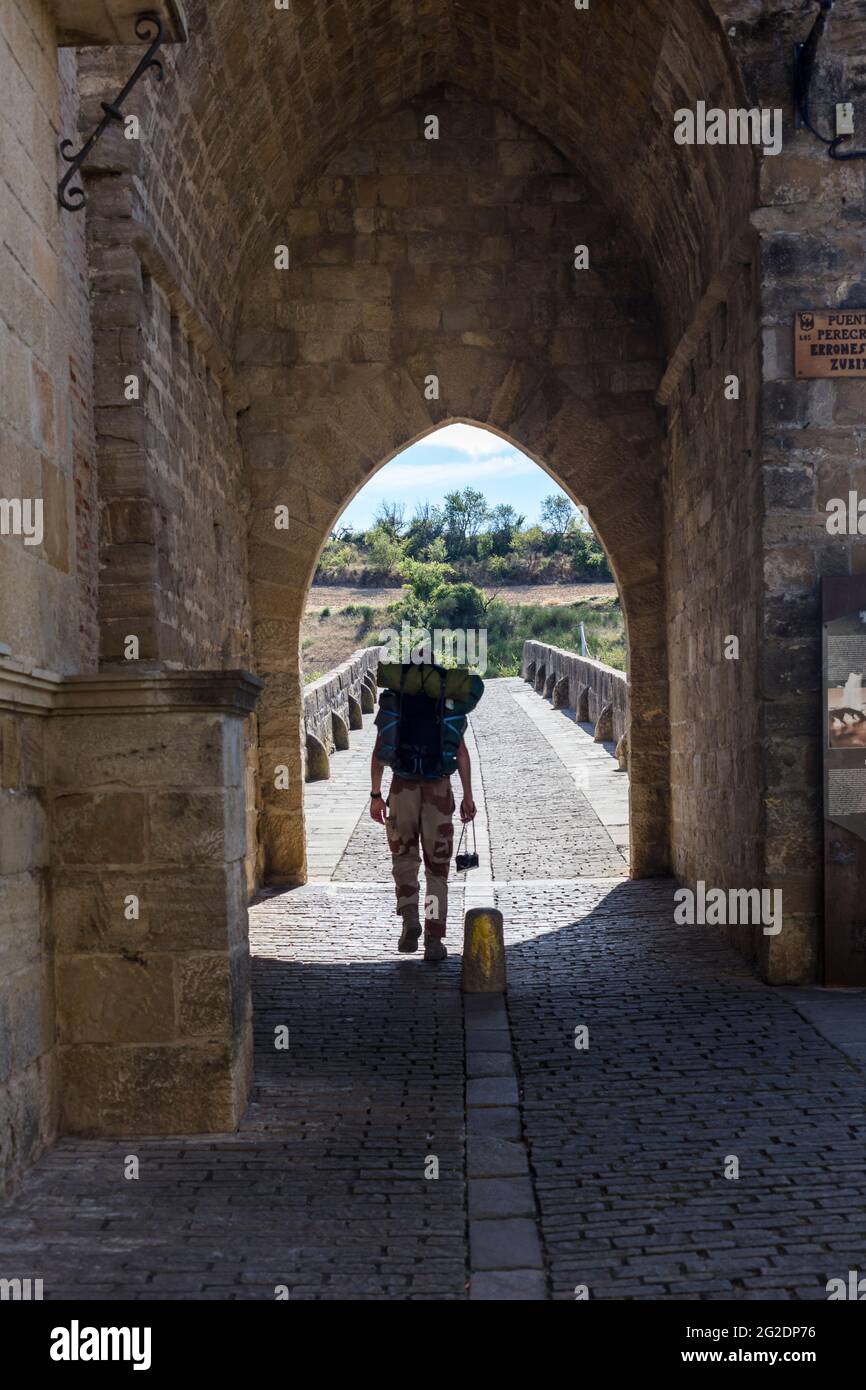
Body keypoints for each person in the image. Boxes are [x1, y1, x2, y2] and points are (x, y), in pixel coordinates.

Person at [370, 730, 476, 962]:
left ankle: (410, 919)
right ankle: (433, 938)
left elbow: (379, 752)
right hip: (438, 788)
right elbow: (462, 754)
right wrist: (467, 796)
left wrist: (376, 794)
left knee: (404, 857)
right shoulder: (447, 702)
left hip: (402, 788)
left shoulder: (397, 699)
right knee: (436, 869)